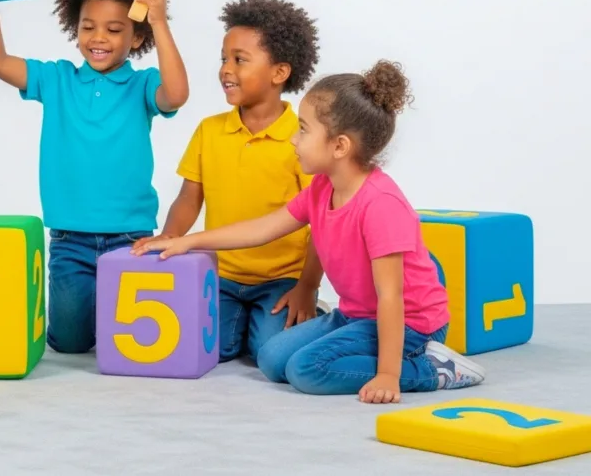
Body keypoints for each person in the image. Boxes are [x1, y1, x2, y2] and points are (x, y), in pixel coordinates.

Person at [137, 61, 485, 403]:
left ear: (340, 146)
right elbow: (262, 229)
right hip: (356, 314)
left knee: (306, 370)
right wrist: (188, 242)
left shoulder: (381, 204)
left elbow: (391, 297)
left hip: (410, 323)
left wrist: (388, 375)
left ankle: (432, 369)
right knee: (271, 359)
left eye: (303, 130)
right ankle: (370, 352)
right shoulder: (321, 188)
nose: (293, 139)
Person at [0, 0, 190, 353]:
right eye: (88, 27)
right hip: (69, 238)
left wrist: (159, 21)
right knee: (70, 344)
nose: (98, 38)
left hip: (130, 238)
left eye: (114, 29)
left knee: (129, 343)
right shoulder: (56, 78)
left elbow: (177, 94)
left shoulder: (144, 84)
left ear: (137, 38)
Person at [134, 0, 327, 365]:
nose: (226, 69)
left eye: (240, 60)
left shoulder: (301, 140)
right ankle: (245, 324)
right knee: (211, 349)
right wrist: (169, 236)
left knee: (268, 353)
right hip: (219, 275)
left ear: (279, 72)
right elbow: (189, 197)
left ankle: (318, 315)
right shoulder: (210, 131)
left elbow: (320, 223)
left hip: (281, 279)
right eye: (224, 59)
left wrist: (307, 286)